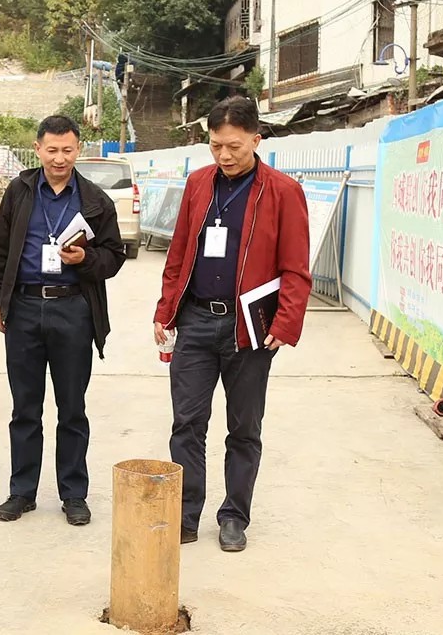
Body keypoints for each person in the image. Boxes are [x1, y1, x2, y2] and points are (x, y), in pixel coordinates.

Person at [153, 96, 312, 552]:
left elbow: (296, 268)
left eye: (234, 147)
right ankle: (186, 515)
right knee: (187, 423)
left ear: (256, 140)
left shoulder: (282, 191)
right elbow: (179, 253)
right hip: (197, 321)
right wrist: (165, 310)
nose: (224, 155)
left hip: (249, 329)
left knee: (244, 429)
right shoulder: (198, 184)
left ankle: (234, 517)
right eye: (216, 145)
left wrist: (285, 323)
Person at [0, 115, 126, 526]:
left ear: (78, 150)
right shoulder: (19, 191)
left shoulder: (95, 200)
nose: (59, 158)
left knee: (72, 408)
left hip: (73, 310)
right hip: (25, 308)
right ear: (38, 149)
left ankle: (74, 494)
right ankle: (21, 491)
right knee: (25, 408)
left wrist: (86, 259)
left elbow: (114, 256)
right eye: (52, 150)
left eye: (67, 150)